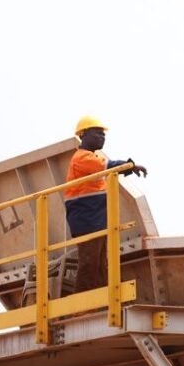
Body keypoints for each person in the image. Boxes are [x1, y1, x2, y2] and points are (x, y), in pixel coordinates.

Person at [64, 116, 147, 292]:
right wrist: (130, 166)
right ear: (83, 135)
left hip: (95, 219)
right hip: (86, 220)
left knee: (100, 263)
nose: (102, 137)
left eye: (103, 134)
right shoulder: (82, 158)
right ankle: (84, 301)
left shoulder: (91, 157)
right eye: (98, 133)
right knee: (90, 261)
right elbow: (108, 165)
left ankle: (101, 298)